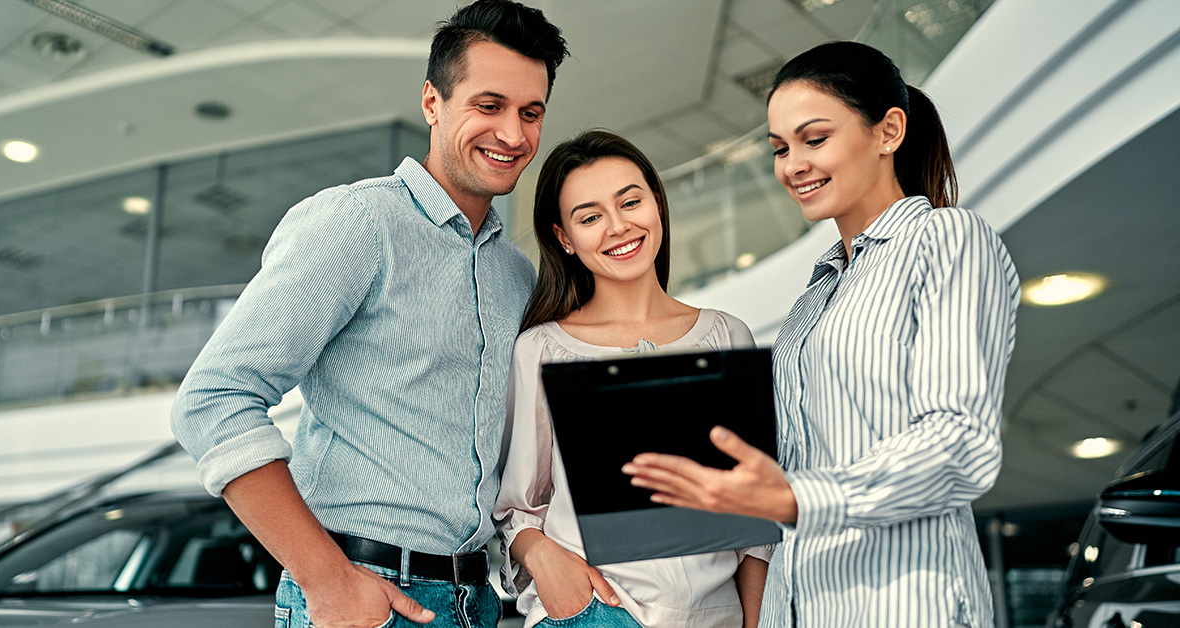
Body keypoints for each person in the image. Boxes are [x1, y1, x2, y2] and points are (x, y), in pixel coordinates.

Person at [169, 3, 568, 627]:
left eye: (530, 112)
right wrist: (325, 580)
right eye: (488, 107)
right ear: (433, 102)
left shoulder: (515, 274)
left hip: (477, 600)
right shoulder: (359, 224)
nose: (513, 135)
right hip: (363, 594)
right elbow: (213, 398)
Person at [623, 41, 1020, 627]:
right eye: (780, 148)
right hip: (801, 607)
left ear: (889, 131)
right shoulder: (816, 294)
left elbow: (960, 442)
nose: (792, 165)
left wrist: (797, 497)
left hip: (905, 605)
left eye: (815, 139)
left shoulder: (947, 239)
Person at [494, 129, 771, 628]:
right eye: (590, 217)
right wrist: (546, 564)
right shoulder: (542, 349)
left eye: (630, 202)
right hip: (594, 612)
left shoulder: (727, 335)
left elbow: (756, 521)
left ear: (657, 205)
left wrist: (754, 621)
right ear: (565, 238)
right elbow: (519, 506)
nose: (618, 226)